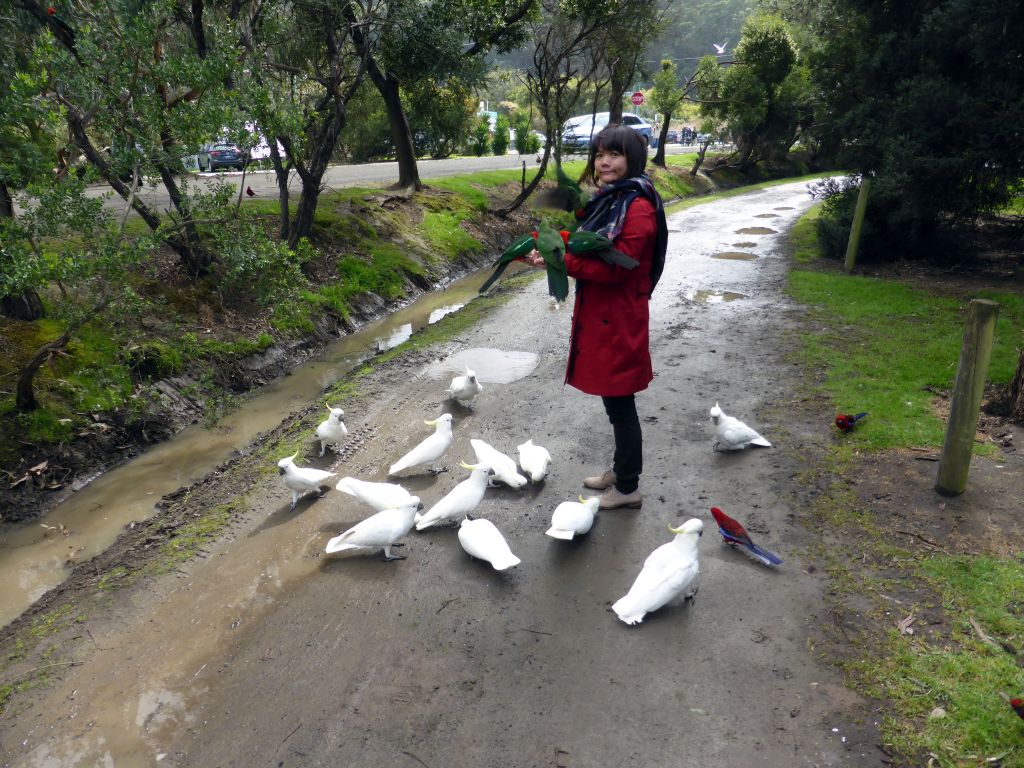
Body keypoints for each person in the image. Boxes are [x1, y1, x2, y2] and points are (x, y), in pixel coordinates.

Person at [525, 124, 668, 509]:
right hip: (606, 313)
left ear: (632, 159)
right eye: (600, 154)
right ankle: (623, 473)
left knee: (621, 404)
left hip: (619, 318)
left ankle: (627, 488)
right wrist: (550, 249)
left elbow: (615, 268)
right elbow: (590, 241)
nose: (604, 162)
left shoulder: (636, 207)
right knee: (614, 401)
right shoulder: (614, 199)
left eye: (615, 154)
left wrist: (560, 261)